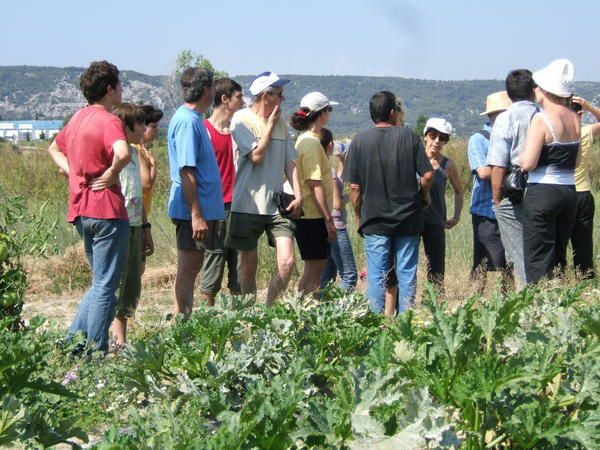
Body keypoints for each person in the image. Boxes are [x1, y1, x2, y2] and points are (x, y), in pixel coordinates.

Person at [47, 60, 130, 354]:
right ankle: (94, 353)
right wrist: (110, 173)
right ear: (109, 89)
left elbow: (54, 149)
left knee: (99, 284)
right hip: (107, 210)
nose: (122, 90)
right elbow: (123, 152)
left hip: (81, 210)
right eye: (119, 85)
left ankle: (72, 344)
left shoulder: (77, 119)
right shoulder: (109, 120)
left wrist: (73, 172)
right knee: (106, 286)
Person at [344, 91, 433, 314]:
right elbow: (428, 175)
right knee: (406, 273)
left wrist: (358, 216)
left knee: (376, 275)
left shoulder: (359, 141)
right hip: (408, 218)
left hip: (374, 220)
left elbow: (354, 188)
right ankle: (406, 324)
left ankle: (374, 327)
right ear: (393, 112)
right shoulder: (409, 137)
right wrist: (424, 195)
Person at [227, 71, 302, 306]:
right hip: (247, 203)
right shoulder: (241, 119)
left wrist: (298, 195)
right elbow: (256, 156)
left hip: (277, 204)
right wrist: (269, 126)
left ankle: (269, 307)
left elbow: (290, 162)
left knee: (287, 261)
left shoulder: (281, 125)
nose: (283, 99)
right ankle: (249, 312)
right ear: (266, 96)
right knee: (248, 265)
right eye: (279, 95)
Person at [167, 67, 224, 318]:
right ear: (205, 91)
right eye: (213, 87)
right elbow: (187, 171)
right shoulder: (188, 123)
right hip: (192, 210)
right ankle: (183, 324)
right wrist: (196, 215)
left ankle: (184, 321)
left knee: (193, 266)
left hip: (201, 209)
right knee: (189, 268)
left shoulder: (194, 120)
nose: (215, 91)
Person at [521, 59, 580, 284]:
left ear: (544, 90)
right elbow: (577, 161)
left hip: (543, 190)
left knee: (538, 257)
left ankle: (539, 309)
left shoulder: (541, 119)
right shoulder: (575, 118)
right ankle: (558, 305)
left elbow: (528, 163)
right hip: (569, 191)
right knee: (558, 256)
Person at [487, 69, 538, 289]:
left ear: (509, 94)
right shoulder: (542, 114)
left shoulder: (505, 118)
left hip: (516, 189)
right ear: (534, 90)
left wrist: (497, 200)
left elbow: (498, 164)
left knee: (518, 253)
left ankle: (526, 301)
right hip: (546, 187)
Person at [198, 78, 245, 306]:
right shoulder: (204, 130)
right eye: (239, 97)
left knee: (240, 269)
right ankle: (207, 320)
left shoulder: (237, 132)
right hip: (215, 209)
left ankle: (238, 322)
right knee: (213, 266)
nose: (243, 102)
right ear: (225, 99)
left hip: (238, 207)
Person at [110, 103, 153, 348]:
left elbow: (139, 192)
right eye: (140, 123)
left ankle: (121, 340)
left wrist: (146, 227)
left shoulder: (135, 153)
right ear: (126, 127)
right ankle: (116, 342)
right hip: (120, 224)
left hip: (137, 223)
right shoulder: (115, 153)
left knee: (131, 285)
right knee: (119, 282)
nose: (145, 128)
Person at [289, 92, 337, 297]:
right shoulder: (310, 142)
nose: (329, 114)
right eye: (329, 110)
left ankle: (303, 312)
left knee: (313, 269)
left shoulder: (305, 140)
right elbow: (314, 184)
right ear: (321, 114)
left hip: (310, 215)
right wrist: (328, 219)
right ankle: (305, 314)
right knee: (315, 271)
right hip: (312, 216)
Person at [468, 91, 511, 293]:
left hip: (508, 209)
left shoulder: (510, 138)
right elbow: (483, 172)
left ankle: (486, 300)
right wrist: (506, 167)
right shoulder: (478, 140)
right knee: (499, 257)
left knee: (488, 260)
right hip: (485, 210)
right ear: (490, 116)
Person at [420, 118, 464, 290]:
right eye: (433, 135)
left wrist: (456, 216)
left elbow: (459, 191)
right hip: (412, 219)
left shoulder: (448, 165)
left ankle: (435, 300)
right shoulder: (412, 159)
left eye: (443, 138)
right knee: (405, 262)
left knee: (436, 264)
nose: (437, 141)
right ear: (425, 136)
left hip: (435, 220)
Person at [319, 130, 358, 292]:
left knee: (327, 275)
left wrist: (343, 160)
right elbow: (336, 203)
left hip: (325, 224)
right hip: (337, 227)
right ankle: (340, 309)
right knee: (349, 275)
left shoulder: (321, 169)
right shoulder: (330, 172)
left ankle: (321, 307)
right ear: (330, 145)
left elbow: (338, 181)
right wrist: (352, 196)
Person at [569, 96, 600, 279]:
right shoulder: (586, 132)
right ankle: (585, 278)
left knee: (558, 241)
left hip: (560, 191)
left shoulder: (557, 132)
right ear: (580, 114)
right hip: (582, 192)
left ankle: (558, 279)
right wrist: (589, 107)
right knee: (583, 244)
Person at [137, 104, 163, 276]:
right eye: (153, 126)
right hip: (136, 215)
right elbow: (146, 183)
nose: (155, 130)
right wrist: (153, 166)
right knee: (138, 265)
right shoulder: (137, 149)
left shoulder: (144, 150)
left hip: (142, 213)